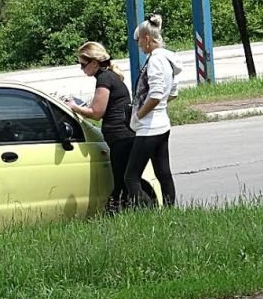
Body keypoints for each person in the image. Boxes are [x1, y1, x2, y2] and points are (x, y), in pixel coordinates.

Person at [67, 41, 135, 212]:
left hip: (120, 135)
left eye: (83, 64)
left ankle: (122, 209)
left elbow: (97, 112)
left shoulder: (104, 79)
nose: (82, 69)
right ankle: (126, 208)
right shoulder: (110, 76)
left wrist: (75, 108)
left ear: (94, 63)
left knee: (121, 178)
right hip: (124, 134)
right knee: (124, 177)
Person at [125, 13, 182, 207]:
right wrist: (160, 107)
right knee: (163, 173)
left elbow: (156, 94)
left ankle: (145, 212)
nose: (139, 45)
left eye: (139, 40)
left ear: (147, 39)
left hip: (149, 127)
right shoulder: (167, 60)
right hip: (162, 124)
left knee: (131, 177)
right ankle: (169, 211)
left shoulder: (155, 60)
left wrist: (140, 114)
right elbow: (172, 92)